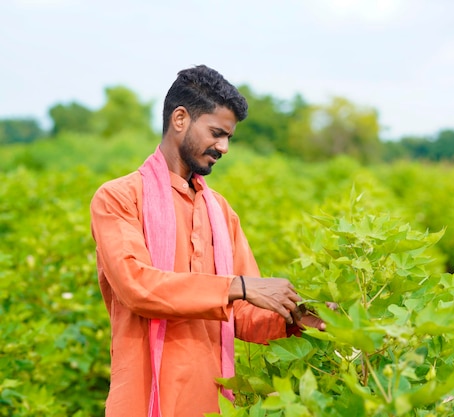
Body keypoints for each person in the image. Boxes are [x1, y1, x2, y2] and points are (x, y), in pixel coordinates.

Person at [90, 65, 323, 417]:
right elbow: (136, 286)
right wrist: (238, 286)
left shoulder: (220, 211)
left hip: (212, 404)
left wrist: (299, 320)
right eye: (217, 133)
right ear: (180, 118)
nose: (224, 147)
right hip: (142, 401)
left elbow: (244, 312)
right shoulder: (119, 198)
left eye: (229, 137)